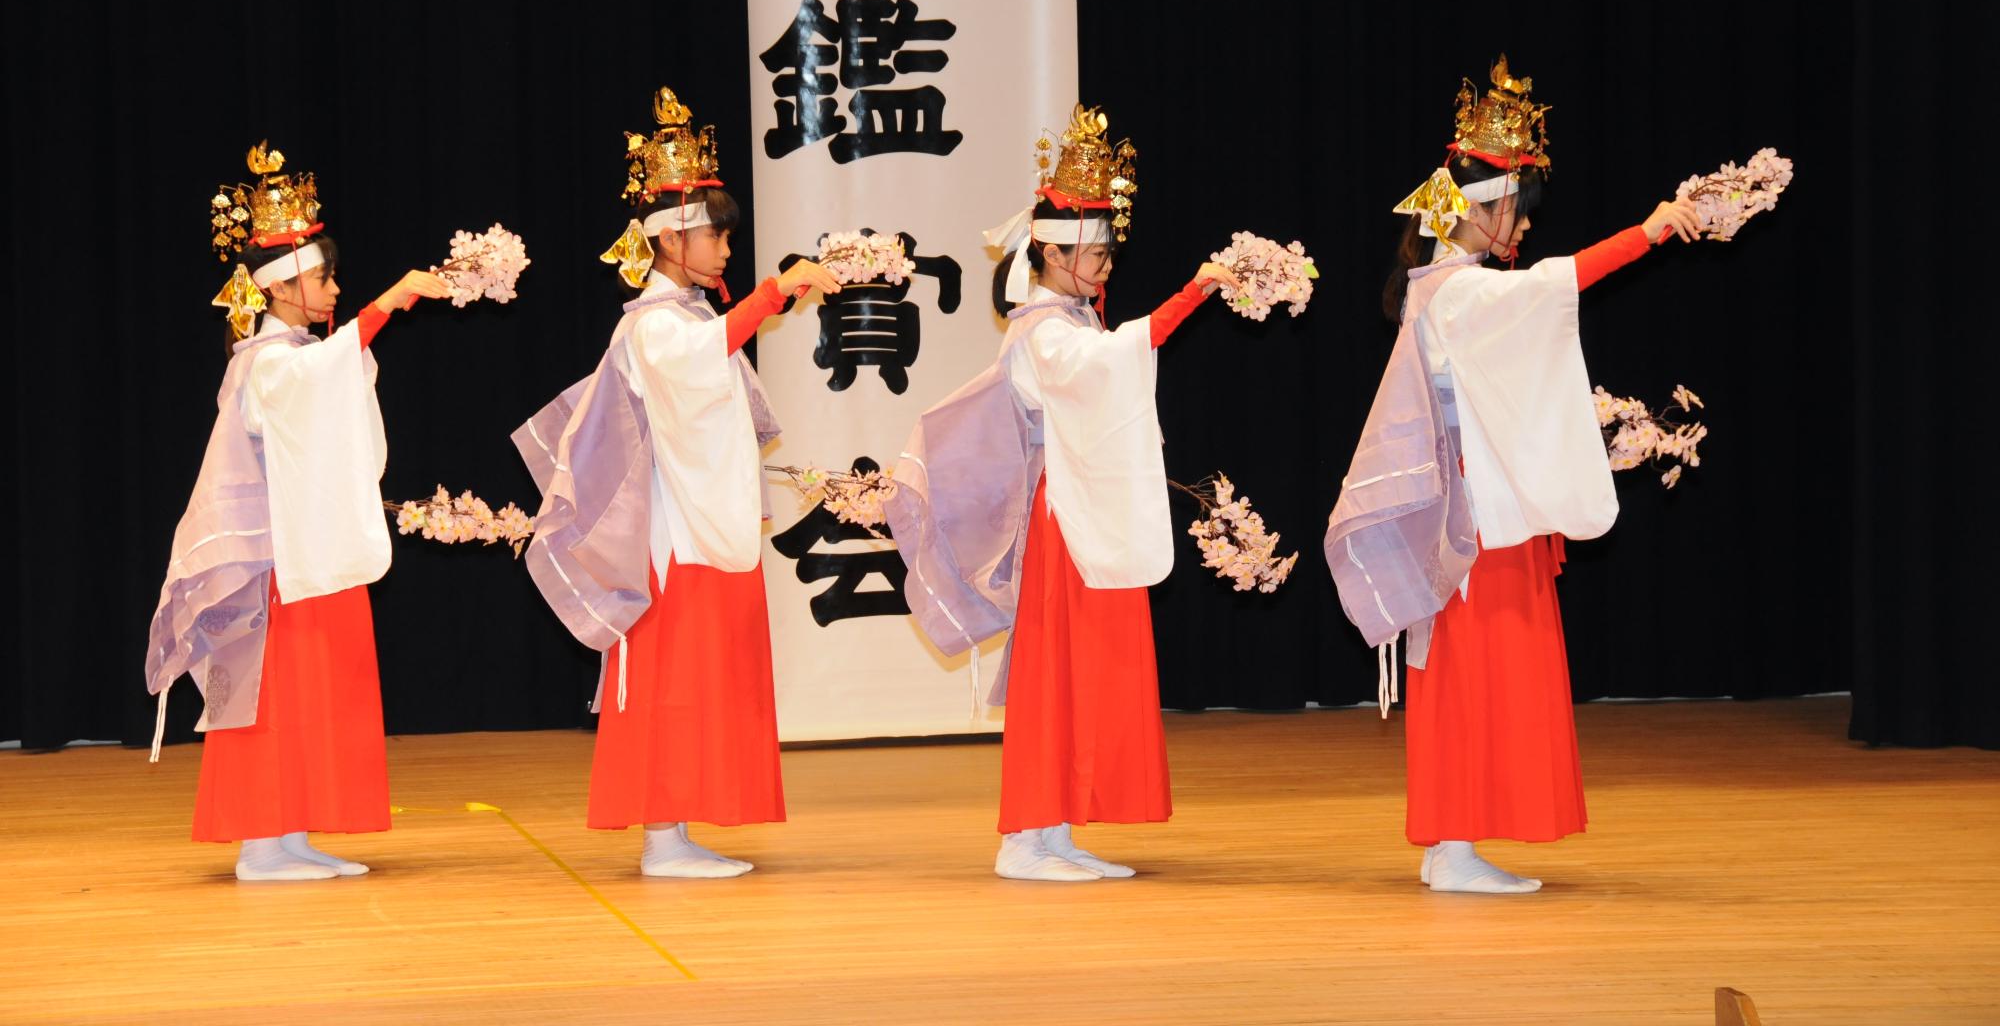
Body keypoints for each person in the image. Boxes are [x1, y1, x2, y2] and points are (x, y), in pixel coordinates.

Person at [1325, 57, 1699, 894]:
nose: (1522, 229)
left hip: (1490, 506)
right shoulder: (1456, 294)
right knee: (1469, 673)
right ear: (1476, 213)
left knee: (1482, 672)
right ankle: (1452, 844)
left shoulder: (1456, 291)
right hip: (1473, 515)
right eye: (1512, 212)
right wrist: (1648, 232)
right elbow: (1547, 291)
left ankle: (1456, 843)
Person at [887, 104, 1240, 882]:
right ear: (1049, 255)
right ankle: (1024, 836)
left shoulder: (1066, 321)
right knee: (1057, 673)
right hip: (1062, 522)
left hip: (1082, 512)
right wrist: (1191, 294)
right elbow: (1110, 362)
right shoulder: (1043, 332)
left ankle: (1058, 826)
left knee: (1086, 672)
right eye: (1096, 255)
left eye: (1111, 253)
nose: (1108, 267)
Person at [514, 88, 838, 878]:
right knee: (672, 676)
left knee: (703, 676)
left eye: (727, 234)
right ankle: (661, 836)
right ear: (668, 240)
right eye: (713, 234)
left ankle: (678, 828)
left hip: (703, 519)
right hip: (671, 531)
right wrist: (774, 294)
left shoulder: (687, 319)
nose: (726, 248)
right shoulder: (654, 325)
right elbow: (696, 374)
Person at [146, 142, 447, 881]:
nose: (334, 288)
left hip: (309, 550)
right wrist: (385, 304)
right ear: (280, 290)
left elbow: (332, 384)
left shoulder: (296, 356)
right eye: (322, 277)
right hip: (274, 559)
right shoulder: (266, 361)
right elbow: (318, 378)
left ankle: (291, 832)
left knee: (314, 691)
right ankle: (259, 842)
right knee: (274, 691)